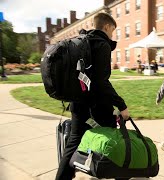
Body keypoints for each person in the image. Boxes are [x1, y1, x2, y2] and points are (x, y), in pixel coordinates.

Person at [55, 13, 130, 180]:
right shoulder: (101, 45)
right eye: (113, 30)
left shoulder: (84, 42)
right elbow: (101, 82)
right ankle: (116, 174)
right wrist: (122, 105)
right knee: (112, 138)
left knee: (73, 144)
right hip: (95, 107)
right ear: (107, 27)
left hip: (78, 104)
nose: (112, 35)